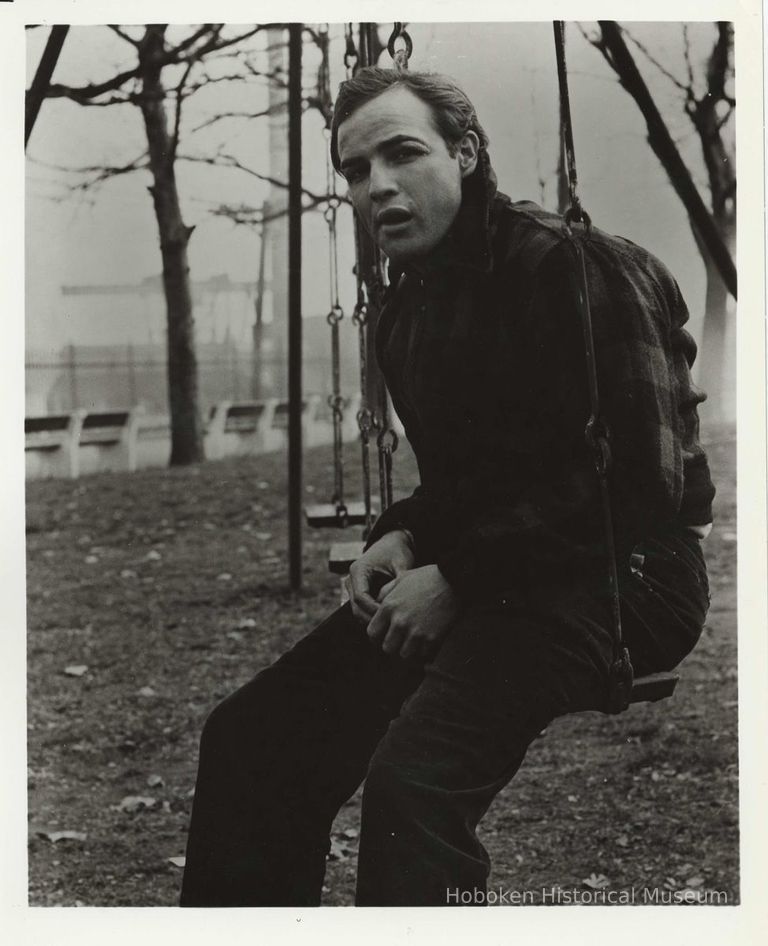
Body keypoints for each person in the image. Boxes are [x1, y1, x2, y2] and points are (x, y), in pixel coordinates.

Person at [180, 67, 714, 907]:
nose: (377, 186)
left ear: (465, 153)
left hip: (631, 577)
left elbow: (642, 484)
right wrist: (401, 535)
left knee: (413, 789)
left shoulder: (576, 270)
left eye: (403, 154)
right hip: (507, 566)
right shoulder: (408, 312)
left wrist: (461, 577)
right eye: (356, 171)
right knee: (256, 739)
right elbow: (472, 484)